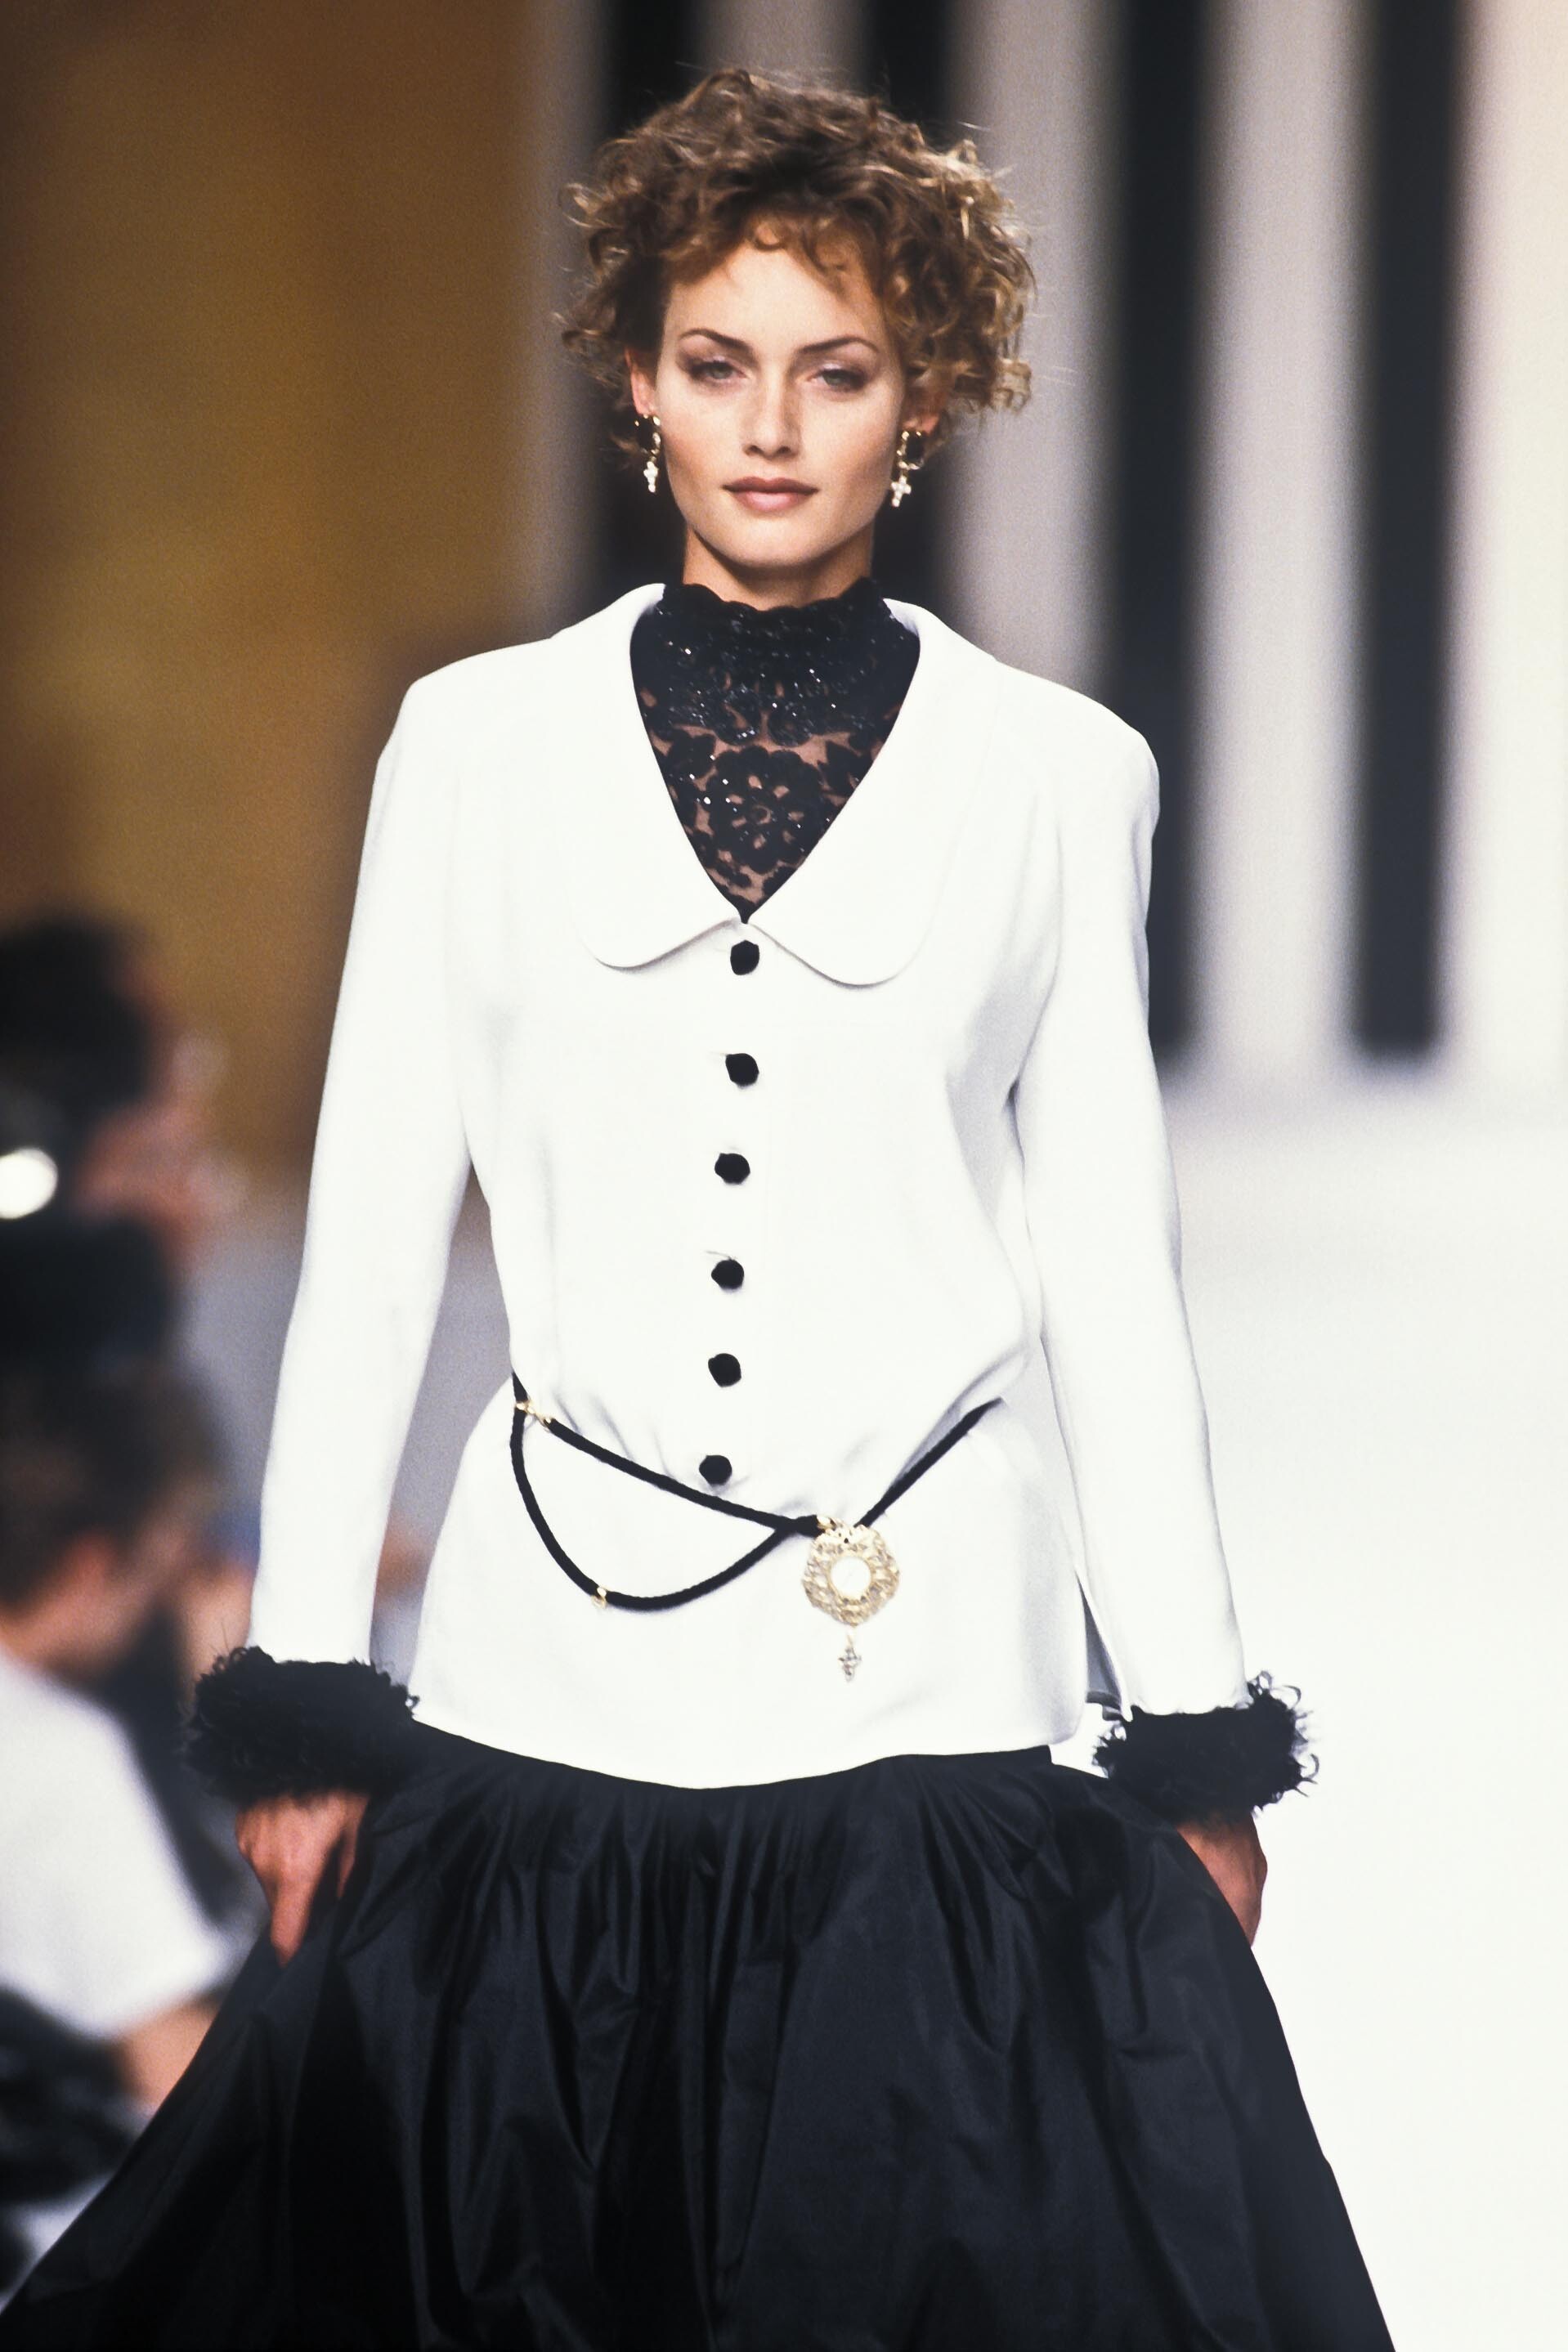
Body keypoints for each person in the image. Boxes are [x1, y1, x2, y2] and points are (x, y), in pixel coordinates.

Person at [0, 68, 1396, 2350]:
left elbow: (1109, 1282)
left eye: (833, 371)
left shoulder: (1061, 777)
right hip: (545, 1669)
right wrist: (310, 1702)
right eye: (717, 361)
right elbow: (371, 1242)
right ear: (635, 380)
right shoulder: (469, 746)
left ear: (922, 399)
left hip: (926, 1681)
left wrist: (1190, 1736)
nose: (768, 426)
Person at [0, 1361, 235, 2289]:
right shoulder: (62, 1755)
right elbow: (181, 2077)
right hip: (60, 2264)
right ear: (94, 1564)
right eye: (157, 1572)